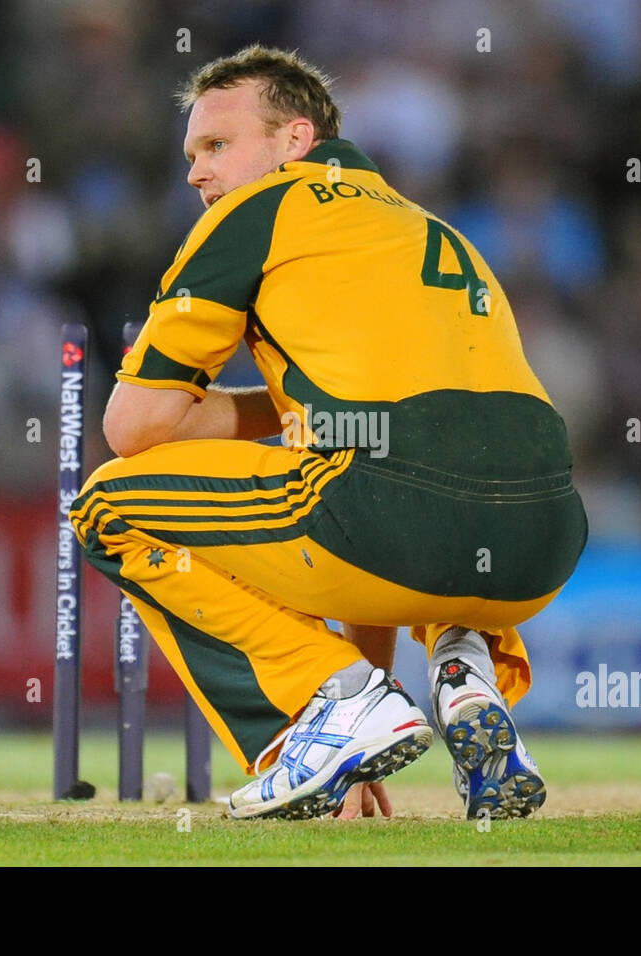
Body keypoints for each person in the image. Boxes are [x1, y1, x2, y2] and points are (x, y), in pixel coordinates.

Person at [70, 44, 588, 820]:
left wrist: (270, 415)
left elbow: (135, 426)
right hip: (543, 541)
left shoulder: (258, 212)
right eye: (191, 154)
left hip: (384, 507)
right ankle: (465, 664)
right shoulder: (436, 229)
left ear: (295, 141)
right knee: (400, 461)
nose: (196, 174)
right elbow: (409, 438)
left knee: (108, 506)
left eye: (216, 145)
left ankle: (320, 712)